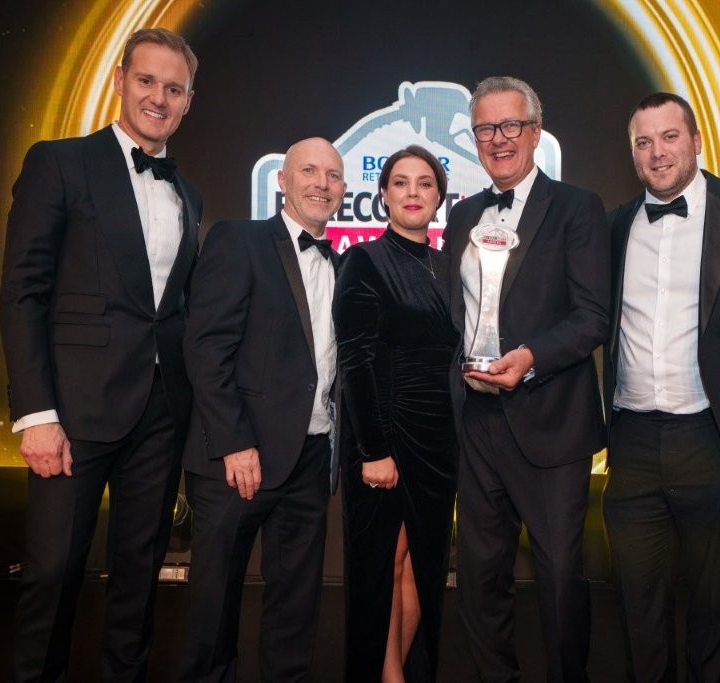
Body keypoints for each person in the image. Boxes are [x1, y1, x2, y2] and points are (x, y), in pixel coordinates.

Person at [0, 28, 200, 681]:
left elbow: (171, 308)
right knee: (53, 573)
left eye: (174, 88)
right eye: (147, 81)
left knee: (139, 576)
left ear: (188, 101)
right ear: (119, 81)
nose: (158, 97)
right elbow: (23, 292)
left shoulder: (187, 193)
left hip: (159, 414)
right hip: (73, 413)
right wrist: (36, 414)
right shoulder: (59, 162)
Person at [442, 76, 610, 682]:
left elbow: (592, 316)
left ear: (536, 132)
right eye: (485, 128)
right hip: (476, 422)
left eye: (510, 125)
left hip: (550, 420)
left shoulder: (577, 208)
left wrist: (530, 357)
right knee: (479, 574)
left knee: (560, 575)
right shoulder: (462, 214)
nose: (498, 139)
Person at [602, 92, 720, 682]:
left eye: (669, 137)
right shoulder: (613, 226)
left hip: (715, 439)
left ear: (696, 140)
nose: (657, 152)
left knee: (716, 609)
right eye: (643, 142)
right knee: (637, 609)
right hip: (633, 445)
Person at [176, 138, 345, 682]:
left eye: (333, 175)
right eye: (309, 171)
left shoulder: (341, 265)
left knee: (296, 605)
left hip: (311, 455)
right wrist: (233, 442)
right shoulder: (239, 240)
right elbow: (206, 347)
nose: (321, 183)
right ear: (282, 180)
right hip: (239, 457)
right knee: (214, 602)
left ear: (344, 189)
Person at [334, 145, 458, 681]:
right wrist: (374, 450)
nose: (413, 193)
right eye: (401, 183)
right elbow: (354, 361)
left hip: (439, 441)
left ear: (439, 197)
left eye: (424, 183)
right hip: (386, 433)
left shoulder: (449, 266)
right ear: (382, 195)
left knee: (419, 567)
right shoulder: (364, 260)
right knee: (382, 565)